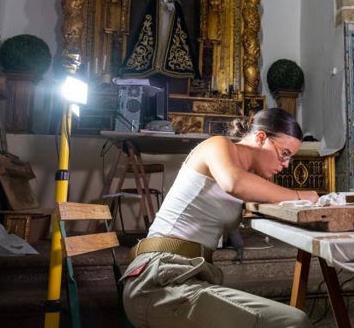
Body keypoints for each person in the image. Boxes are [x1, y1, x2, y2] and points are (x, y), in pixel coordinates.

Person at [121, 108, 319, 328]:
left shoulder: (245, 177)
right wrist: (302, 196)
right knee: (293, 322)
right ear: (261, 137)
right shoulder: (218, 145)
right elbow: (233, 182)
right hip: (158, 281)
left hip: (187, 276)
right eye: (284, 153)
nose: (286, 165)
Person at [120, 0, 200, 79]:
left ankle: (164, 63)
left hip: (168, 27)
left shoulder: (175, 2)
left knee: (166, 41)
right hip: (157, 27)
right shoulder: (153, 1)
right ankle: (155, 64)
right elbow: (148, 19)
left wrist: (171, 8)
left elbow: (178, 20)